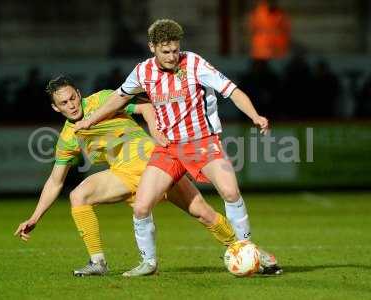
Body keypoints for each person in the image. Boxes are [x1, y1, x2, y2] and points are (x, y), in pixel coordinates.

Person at [75, 19, 282, 276]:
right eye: (166, 51)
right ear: (152, 47)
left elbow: (233, 91)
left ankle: (247, 249)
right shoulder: (143, 72)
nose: (172, 56)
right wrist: (89, 120)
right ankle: (148, 263)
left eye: (175, 50)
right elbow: (118, 98)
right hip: (169, 148)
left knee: (230, 191)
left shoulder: (194, 63)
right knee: (141, 206)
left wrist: (255, 116)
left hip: (202, 142)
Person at [14, 75, 240, 276]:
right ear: (56, 108)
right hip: (123, 174)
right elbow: (55, 181)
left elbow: (146, 108)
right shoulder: (68, 137)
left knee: (204, 213)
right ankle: (97, 262)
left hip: (155, 164)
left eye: (73, 98)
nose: (71, 105)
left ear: (79, 94)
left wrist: (153, 127)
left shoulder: (102, 100)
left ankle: (245, 248)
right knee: (78, 196)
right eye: (63, 103)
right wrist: (35, 218)